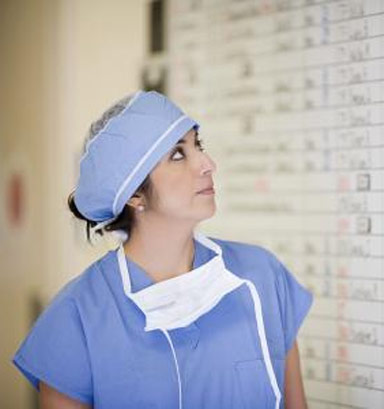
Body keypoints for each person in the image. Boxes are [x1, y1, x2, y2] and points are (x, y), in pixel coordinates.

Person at [12, 90, 313, 409]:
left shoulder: (263, 276)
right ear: (134, 194)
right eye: (178, 154)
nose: (208, 164)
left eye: (198, 145)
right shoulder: (75, 319)